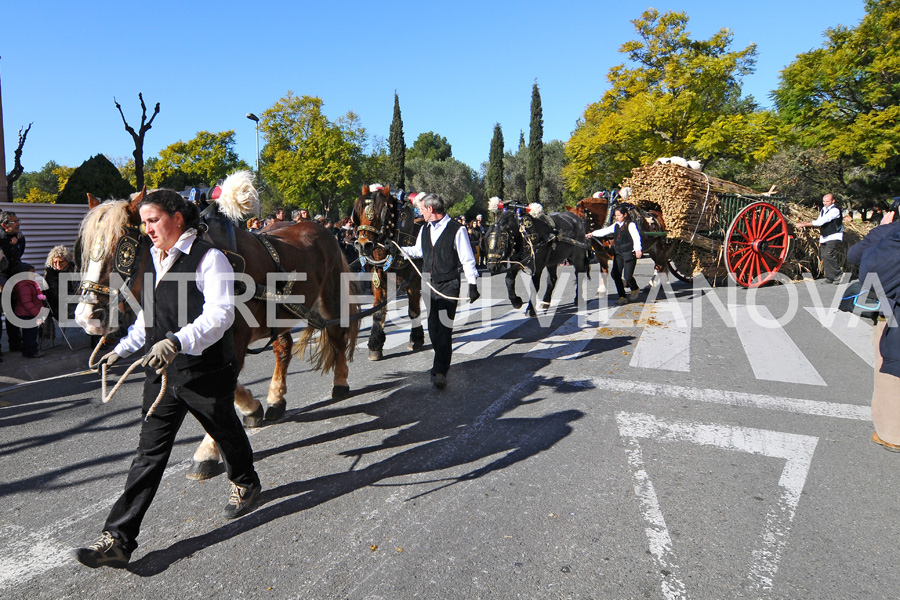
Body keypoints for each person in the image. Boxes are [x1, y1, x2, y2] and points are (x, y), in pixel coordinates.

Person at [72, 189, 261, 569]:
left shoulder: (211, 259)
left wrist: (177, 341)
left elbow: (221, 314)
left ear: (178, 218)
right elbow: (149, 321)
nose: (148, 229)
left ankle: (246, 481)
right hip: (162, 376)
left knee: (225, 430)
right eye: (144, 222)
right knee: (148, 454)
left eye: (153, 220)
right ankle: (119, 538)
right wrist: (122, 349)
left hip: (206, 371)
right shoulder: (152, 262)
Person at [400, 193, 479, 389]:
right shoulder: (425, 228)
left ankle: (440, 370)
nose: (420, 212)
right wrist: (397, 249)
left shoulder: (457, 229)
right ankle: (441, 358)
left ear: (431, 209)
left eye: (422, 209)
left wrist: (472, 284)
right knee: (433, 329)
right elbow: (419, 251)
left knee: (444, 329)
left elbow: (467, 259)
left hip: (448, 284)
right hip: (428, 283)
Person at [847, 201, 900, 451]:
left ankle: (892, 433)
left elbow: (855, 257)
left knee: (889, 367)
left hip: (893, 315)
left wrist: (881, 230)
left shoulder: (891, 233)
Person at [586, 205, 643, 305]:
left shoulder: (631, 225)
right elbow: (604, 231)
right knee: (615, 274)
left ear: (625, 215)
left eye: (619, 215)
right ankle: (622, 296)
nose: (617, 217)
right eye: (615, 215)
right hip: (619, 254)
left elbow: (636, 237)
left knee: (628, 277)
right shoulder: (615, 225)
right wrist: (592, 234)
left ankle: (635, 288)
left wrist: (638, 249)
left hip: (629, 253)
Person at [796, 193, 844, 284]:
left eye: (827, 201)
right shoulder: (823, 210)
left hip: (834, 235)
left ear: (833, 201)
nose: (825, 203)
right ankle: (830, 277)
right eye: (824, 201)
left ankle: (839, 274)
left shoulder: (835, 210)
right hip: (825, 236)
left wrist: (804, 224)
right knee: (823, 256)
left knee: (828, 255)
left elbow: (821, 221)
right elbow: (819, 220)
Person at [0, 211, 25, 353]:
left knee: (13, 312)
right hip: (1, 278)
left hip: (14, 277)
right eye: (14, 222)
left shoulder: (20, 238)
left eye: (18, 221)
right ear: (4, 225)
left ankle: (15, 344)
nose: (18, 224)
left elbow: (18, 257)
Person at [10, 263, 46, 358]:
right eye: (31, 273)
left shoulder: (29, 283)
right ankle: (31, 352)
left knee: (31, 334)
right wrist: (36, 313)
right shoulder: (23, 285)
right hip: (27, 314)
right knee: (30, 335)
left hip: (29, 313)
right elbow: (26, 302)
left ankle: (30, 351)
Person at [44, 245, 78, 322]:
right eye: (55, 262)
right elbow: (54, 293)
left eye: (61, 262)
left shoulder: (73, 269)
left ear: (67, 261)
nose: (58, 265)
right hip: (60, 306)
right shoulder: (50, 273)